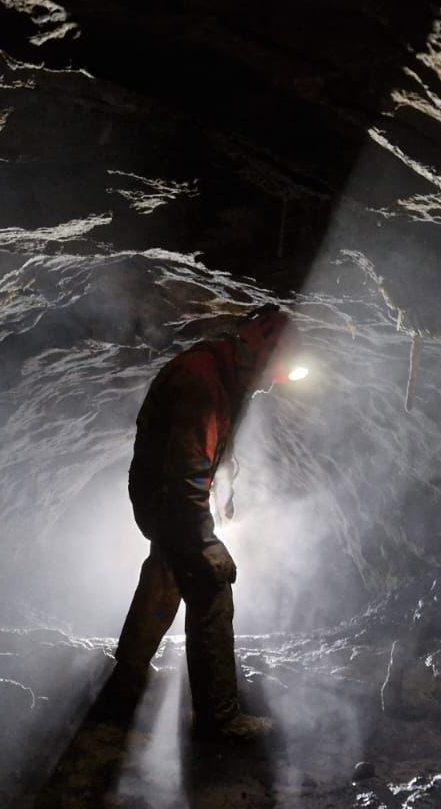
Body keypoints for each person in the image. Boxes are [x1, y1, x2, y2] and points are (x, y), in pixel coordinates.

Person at [98, 304, 296, 740]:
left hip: (167, 492)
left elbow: (209, 452)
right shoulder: (201, 382)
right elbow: (186, 469)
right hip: (167, 496)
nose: (265, 386)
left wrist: (222, 488)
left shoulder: (221, 373)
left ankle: (121, 689)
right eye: (269, 374)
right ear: (256, 353)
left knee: (166, 576)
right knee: (210, 587)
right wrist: (207, 542)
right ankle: (220, 720)